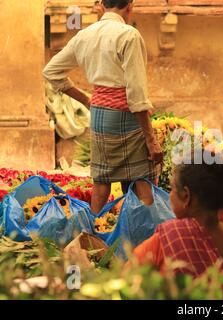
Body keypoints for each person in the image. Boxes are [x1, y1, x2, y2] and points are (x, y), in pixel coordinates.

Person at [43, 0, 163, 214]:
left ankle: (92, 239)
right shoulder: (129, 35)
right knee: (140, 181)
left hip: (99, 114)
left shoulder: (84, 35)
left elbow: (51, 71)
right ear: (130, 6)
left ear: (102, 5)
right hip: (127, 116)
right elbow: (136, 95)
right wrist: (151, 139)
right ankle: (142, 239)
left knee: (101, 182)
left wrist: (86, 99)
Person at [132, 158, 223, 299]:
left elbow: (126, 285)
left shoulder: (166, 239)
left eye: (172, 189)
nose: (170, 195)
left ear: (186, 196)